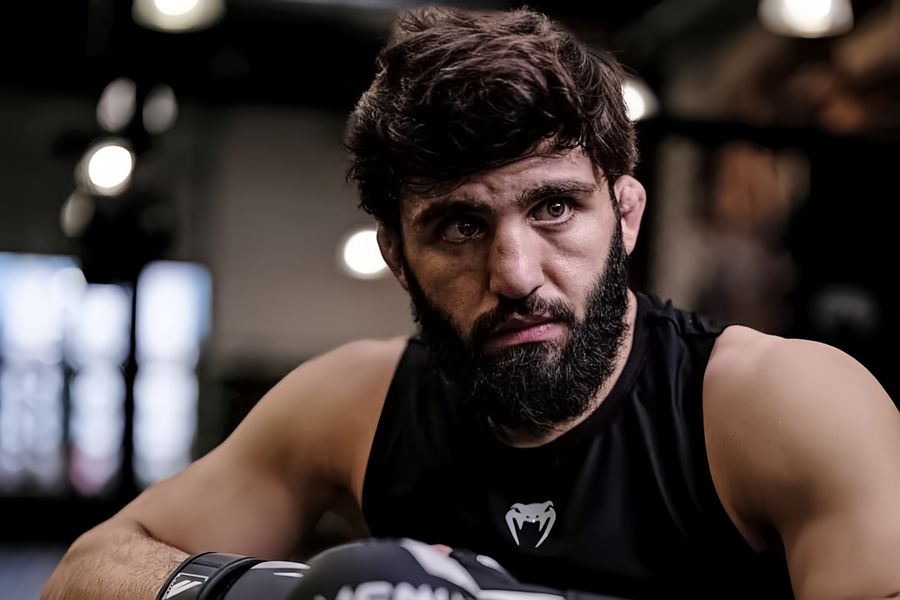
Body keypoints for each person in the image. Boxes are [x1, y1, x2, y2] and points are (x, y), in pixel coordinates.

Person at [42, 6, 900, 600]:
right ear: (399, 257)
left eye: (554, 207)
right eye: (459, 226)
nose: (515, 273)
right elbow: (87, 571)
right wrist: (289, 593)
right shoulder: (355, 406)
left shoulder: (776, 404)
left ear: (627, 215)